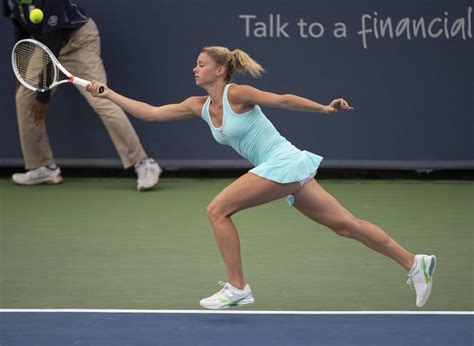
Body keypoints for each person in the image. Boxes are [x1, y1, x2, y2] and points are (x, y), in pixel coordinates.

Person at [86, 46, 436, 309]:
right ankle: (414, 262)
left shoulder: (236, 94)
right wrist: (109, 93)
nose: (195, 68)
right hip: (283, 168)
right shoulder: (199, 105)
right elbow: (151, 114)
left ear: (220, 69)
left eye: (201, 64)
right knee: (345, 225)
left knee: (217, 210)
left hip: (281, 162)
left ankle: (238, 287)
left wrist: (324, 108)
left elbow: (282, 99)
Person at [3, 0, 161, 191]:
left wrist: (42, 96)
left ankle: (144, 163)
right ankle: (43, 166)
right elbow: (19, 27)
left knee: (102, 99)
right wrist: (23, 68)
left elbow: (53, 40)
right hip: (44, 45)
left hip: (78, 41)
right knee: (24, 99)